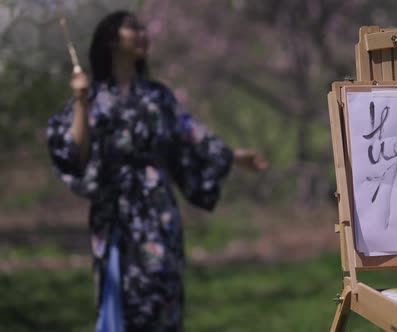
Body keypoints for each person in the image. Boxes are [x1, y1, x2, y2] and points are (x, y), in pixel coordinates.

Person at [47, 10, 267, 332]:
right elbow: (73, 153)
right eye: (133, 28)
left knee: (162, 291)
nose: (143, 33)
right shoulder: (93, 97)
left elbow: (191, 135)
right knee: (119, 297)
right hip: (113, 215)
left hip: (156, 210)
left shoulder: (157, 97)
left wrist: (233, 156)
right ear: (111, 39)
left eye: (143, 28)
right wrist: (80, 102)